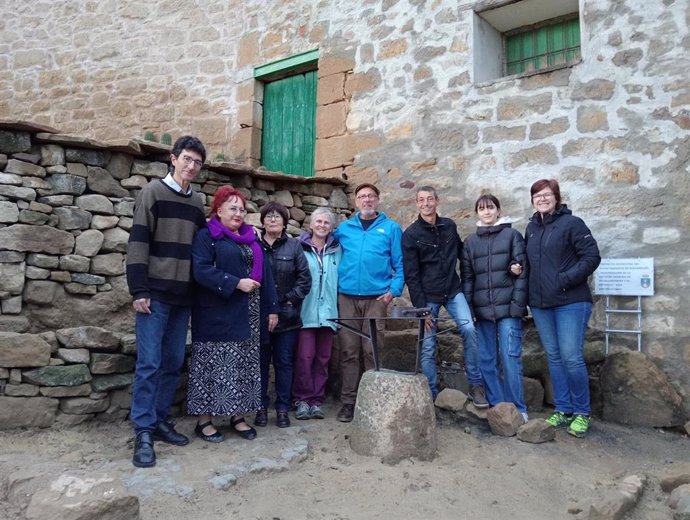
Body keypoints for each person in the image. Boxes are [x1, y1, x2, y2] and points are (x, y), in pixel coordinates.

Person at [126, 135, 207, 468]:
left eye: (197, 162)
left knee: (173, 362)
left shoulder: (198, 202)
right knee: (149, 364)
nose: (191, 166)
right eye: (186, 159)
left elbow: (203, 247)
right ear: (173, 159)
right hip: (154, 296)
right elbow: (138, 242)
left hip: (183, 297)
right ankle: (142, 431)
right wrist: (138, 290)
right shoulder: (152, 193)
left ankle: (160, 421)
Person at [187, 187, 279, 442]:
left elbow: (266, 276)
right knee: (213, 367)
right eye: (232, 208)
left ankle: (237, 417)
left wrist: (272, 308)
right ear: (218, 211)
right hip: (216, 314)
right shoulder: (207, 237)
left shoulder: (252, 238)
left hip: (248, 314)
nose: (238, 213)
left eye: (241, 209)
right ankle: (204, 421)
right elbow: (201, 270)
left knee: (241, 367)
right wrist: (236, 283)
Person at [525, 179, 600, 438]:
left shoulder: (572, 224)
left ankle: (582, 411)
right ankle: (564, 408)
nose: (542, 199)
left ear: (557, 197)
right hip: (541, 304)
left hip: (571, 301)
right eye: (537, 195)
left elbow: (592, 257)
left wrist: (565, 279)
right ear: (532, 200)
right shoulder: (531, 229)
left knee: (571, 356)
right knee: (554, 357)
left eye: (547, 195)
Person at [402, 186, 487, 406]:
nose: (426, 203)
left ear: (437, 201)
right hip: (427, 296)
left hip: (453, 290)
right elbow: (411, 275)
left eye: (430, 199)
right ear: (417, 203)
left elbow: (462, 254)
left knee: (469, 328)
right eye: (422, 200)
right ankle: (430, 393)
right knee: (428, 345)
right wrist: (422, 309)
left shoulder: (449, 226)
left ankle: (476, 385)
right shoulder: (410, 235)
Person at [333, 183, 404, 422]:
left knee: (372, 349)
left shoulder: (391, 228)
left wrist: (393, 290)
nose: (367, 200)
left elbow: (400, 264)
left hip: (376, 299)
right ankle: (349, 403)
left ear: (378, 200)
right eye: (362, 197)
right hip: (347, 298)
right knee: (348, 351)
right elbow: (320, 242)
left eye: (371, 196)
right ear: (356, 202)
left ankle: (373, 400)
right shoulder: (344, 229)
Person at [461, 194, 529, 421]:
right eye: (482, 209)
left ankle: (517, 408)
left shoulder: (512, 236)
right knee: (487, 359)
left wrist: (517, 306)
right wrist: (469, 310)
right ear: (477, 213)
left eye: (491, 208)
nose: (487, 212)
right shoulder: (470, 242)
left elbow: (522, 272)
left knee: (510, 358)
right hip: (482, 311)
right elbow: (468, 278)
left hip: (508, 309)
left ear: (498, 211)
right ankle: (499, 406)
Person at [256, 202, 311, 428]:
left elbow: (305, 279)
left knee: (284, 363)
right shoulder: (255, 245)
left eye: (277, 216)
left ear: (285, 221)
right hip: (259, 316)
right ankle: (259, 407)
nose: (273, 220)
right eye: (268, 216)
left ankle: (282, 409)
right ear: (262, 221)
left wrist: (288, 300)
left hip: (287, 317)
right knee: (260, 363)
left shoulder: (294, 247)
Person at [294, 208, 342, 420]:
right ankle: (302, 399)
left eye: (326, 223)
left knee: (323, 359)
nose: (322, 225)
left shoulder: (337, 250)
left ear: (331, 228)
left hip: (329, 313)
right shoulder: (299, 247)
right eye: (318, 222)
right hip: (306, 312)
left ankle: (316, 400)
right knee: (305, 357)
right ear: (311, 225)